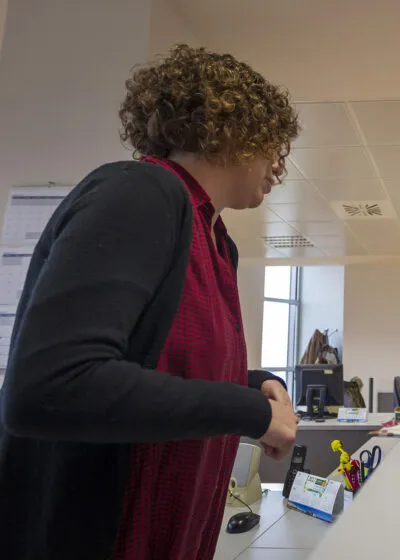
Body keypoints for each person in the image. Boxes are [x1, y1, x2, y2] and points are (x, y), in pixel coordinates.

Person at [0, 44, 301, 559]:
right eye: (276, 145)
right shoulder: (141, 192)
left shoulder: (213, 239)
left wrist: (253, 383)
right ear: (233, 128)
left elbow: (151, 365)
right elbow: (52, 386)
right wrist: (247, 409)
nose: (281, 166)